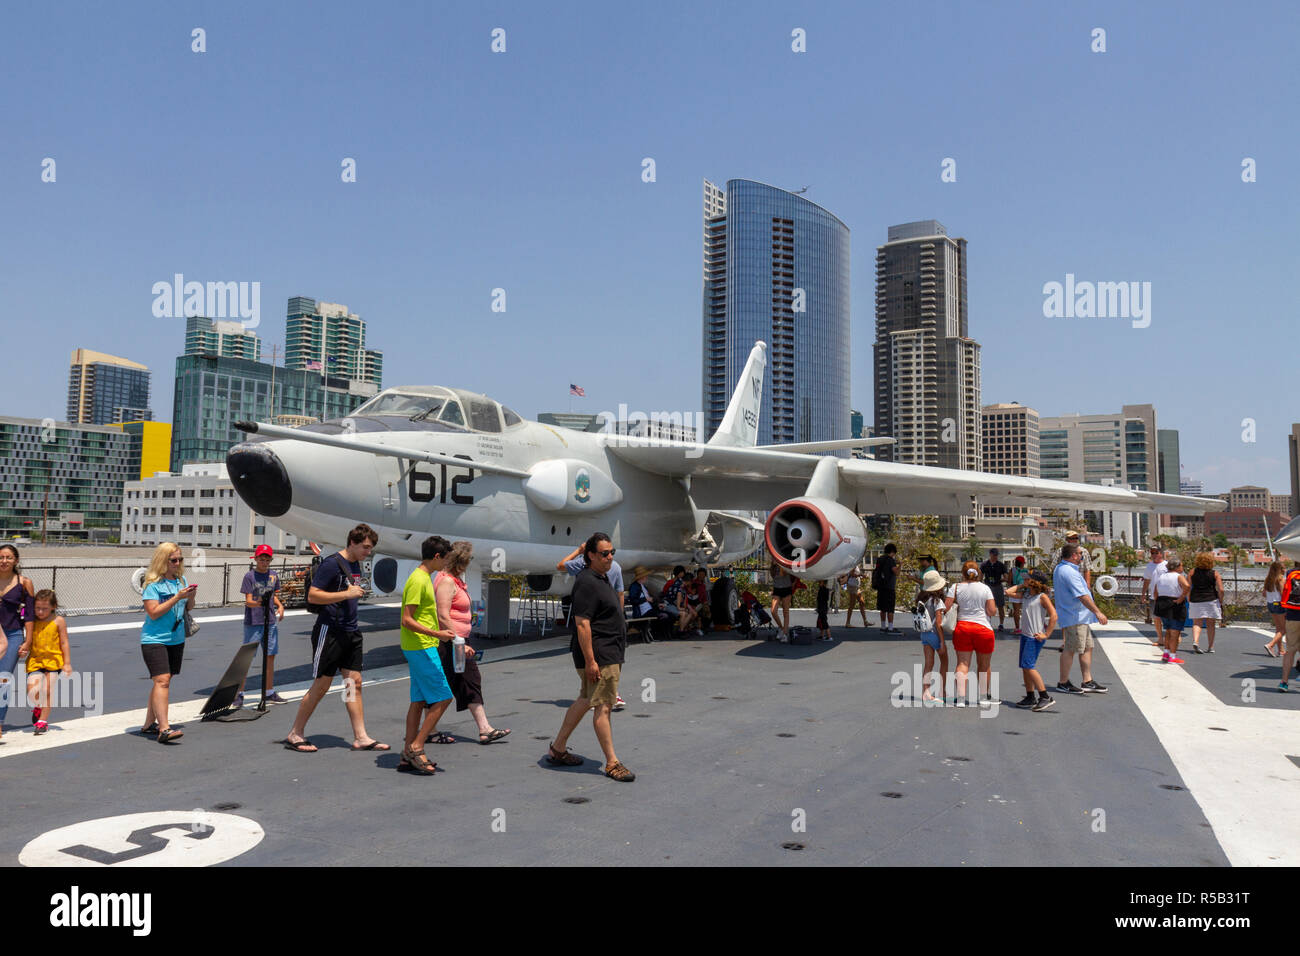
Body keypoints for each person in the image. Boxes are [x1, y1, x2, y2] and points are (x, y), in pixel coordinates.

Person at [284, 523, 389, 753]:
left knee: (354, 683)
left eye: (370, 548)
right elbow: (313, 596)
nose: (367, 552)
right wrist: (346, 593)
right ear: (352, 542)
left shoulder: (355, 565)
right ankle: (295, 733)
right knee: (322, 684)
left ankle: (361, 736)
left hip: (351, 631)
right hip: (330, 630)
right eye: (365, 547)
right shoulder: (331, 564)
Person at [546, 532, 634, 782]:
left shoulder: (601, 577)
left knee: (585, 699)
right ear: (591, 556)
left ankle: (558, 749)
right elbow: (582, 624)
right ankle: (612, 763)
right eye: (604, 553)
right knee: (604, 707)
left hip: (608, 650)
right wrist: (591, 661)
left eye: (612, 552)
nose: (610, 557)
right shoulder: (586, 581)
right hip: (600, 653)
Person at [430, 540, 512, 745]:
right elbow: (442, 614)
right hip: (451, 641)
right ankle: (483, 729)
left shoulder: (454, 580)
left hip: (456, 639)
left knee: (457, 682)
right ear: (460, 562)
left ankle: (481, 729)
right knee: (463, 681)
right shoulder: (447, 581)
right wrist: (459, 641)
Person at [396, 535, 456, 774]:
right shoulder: (419, 580)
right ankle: (416, 746)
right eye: (445, 559)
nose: (446, 565)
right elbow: (407, 619)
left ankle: (405, 755)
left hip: (418, 645)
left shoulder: (422, 577)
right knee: (443, 697)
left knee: (419, 701)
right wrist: (438, 633)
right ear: (437, 556)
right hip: (421, 646)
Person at [139, 542, 196, 744]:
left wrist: (190, 597)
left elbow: (188, 608)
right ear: (163, 560)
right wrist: (175, 597)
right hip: (154, 639)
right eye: (174, 559)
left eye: (180, 559)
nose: (178, 563)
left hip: (176, 638)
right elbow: (153, 613)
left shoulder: (181, 580)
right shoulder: (151, 584)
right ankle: (164, 728)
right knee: (162, 680)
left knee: (161, 681)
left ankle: (148, 724)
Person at [1053, 543, 1109, 694]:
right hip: (1074, 617)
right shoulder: (1068, 572)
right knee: (1070, 649)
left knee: (1087, 647)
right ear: (1074, 556)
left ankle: (1087, 680)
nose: (1082, 558)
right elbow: (1082, 595)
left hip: (1080, 617)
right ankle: (1063, 682)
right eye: (1080, 555)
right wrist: (1098, 612)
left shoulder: (1063, 568)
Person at [237, 544, 286, 706]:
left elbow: (272, 595)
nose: (264, 562)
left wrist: (279, 605)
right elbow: (249, 601)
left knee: (270, 656)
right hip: (253, 622)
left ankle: (269, 691)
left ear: (270, 560)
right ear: (255, 559)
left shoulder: (273, 575)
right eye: (261, 559)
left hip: (270, 621)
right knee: (247, 657)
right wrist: (261, 602)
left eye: (267, 559)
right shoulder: (249, 576)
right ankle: (239, 693)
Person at [943, 562, 997, 706]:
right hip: (983, 629)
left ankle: (960, 698)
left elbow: (946, 607)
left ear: (963, 573)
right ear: (978, 572)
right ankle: (984, 697)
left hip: (963, 628)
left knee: (962, 664)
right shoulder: (985, 588)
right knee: (984, 665)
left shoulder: (955, 588)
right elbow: (992, 611)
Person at [18, 589, 70, 734]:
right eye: (37, 608)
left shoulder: (58, 621)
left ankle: (42, 721)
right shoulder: (31, 619)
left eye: (44, 609)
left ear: (53, 606)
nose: (40, 612)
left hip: (54, 661)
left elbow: (64, 642)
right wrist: (23, 609)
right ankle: (38, 707)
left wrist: (67, 663)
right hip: (35, 660)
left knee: (47, 690)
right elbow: (20, 615)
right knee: (32, 690)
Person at [1005, 572, 1057, 711]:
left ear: (1035, 582)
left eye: (1028, 579)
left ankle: (1045, 696)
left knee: (1029, 666)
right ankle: (1030, 696)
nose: (1025, 580)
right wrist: (1023, 585)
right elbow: (1008, 592)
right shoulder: (1027, 595)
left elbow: (1054, 616)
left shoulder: (1042, 597)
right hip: (1025, 635)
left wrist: (1046, 634)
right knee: (1024, 666)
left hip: (1034, 637)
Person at [0, 544, 35, 741]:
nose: (4, 561)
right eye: (1, 557)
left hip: (13, 636)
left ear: (16, 561)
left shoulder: (25, 583)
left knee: (2, 679)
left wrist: (27, 641)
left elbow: (28, 615)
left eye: (8, 557)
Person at [916, 570, 950, 703]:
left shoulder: (921, 600)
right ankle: (942, 691)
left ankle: (926, 692)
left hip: (924, 634)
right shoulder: (937, 602)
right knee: (944, 661)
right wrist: (942, 642)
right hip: (935, 635)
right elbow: (939, 623)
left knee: (929, 664)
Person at [1154, 557, 1191, 664]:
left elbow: (1155, 591)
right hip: (1174, 605)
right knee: (1175, 632)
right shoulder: (1178, 576)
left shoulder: (1161, 577)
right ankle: (1172, 656)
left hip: (1162, 604)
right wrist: (1181, 597)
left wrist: (1159, 601)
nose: (1182, 568)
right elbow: (1187, 586)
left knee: (1168, 631)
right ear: (1177, 566)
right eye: (1181, 566)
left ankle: (1166, 653)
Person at [1187, 552, 1224, 654]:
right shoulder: (1215, 573)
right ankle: (1211, 647)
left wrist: (1188, 598)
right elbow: (1221, 589)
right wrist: (1220, 599)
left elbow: (1188, 587)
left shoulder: (1192, 572)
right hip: (1211, 600)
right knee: (1210, 624)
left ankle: (1196, 641)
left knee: (1197, 623)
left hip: (1195, 599)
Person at [1278, 561, 1300, 691]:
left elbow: (1284, 591)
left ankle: (1284, 682)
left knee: (1290, 650)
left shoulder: (1291, 573)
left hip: (1293, 614)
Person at [1140, 546, 1167, 646]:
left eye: (1156, 552)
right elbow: (1146, 581)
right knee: (1156, 619)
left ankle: (1174, 637)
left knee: (1168, 618)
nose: (1154, 555)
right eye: (1152, 553)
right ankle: (1160, 639)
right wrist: (1143, 594)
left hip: (1166, 596)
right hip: (1153, 597)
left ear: (1161, 553)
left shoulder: (1167, 565)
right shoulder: (1149, 566)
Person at [980, 548, 1009, 632]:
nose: (995, 556)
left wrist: (1000, 580)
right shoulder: (984, 564)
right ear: (990, 554)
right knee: (986, 606)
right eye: (994, 555)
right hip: (987, 587)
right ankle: (987, 623)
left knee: (1000, 605)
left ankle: (1001, 624)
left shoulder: (1001, 565)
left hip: (998, 586)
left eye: (996, 555)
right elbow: (981, 576)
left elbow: (1006, 577)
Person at [873, 544, 900, 633]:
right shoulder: (891, 560)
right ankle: (890, 628)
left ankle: (883, 626)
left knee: (882, 608)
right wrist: (900, 565)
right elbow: (896, 572)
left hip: (880, 586)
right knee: (890, 608)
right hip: (889, 587)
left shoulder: (880, 559)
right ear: (892, 552)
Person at [1263, 560, 1287, 658]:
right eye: (1284, 568)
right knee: (1284, 629)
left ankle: (1281, 650)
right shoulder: (1281, 579)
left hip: (1270, 604)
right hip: (1279, 604)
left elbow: (1264, 593)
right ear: (1280, 570)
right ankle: (1270, 645)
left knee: (1278, 628)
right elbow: (1282, 593)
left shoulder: (1268, 579)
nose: (1285, 570)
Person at [769, 561, 794, 639]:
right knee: (773, 611)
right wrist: (773, 566)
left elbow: (783, 574)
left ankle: (785, 634)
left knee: (785, 612)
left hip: (786, 588)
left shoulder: (784, 564)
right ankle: (781, 628)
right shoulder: (773, 566)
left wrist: (780, 564)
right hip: (777, 589)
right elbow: (773, 576)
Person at [1007, 556, 1028, 634]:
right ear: (1022, 563)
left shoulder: (1012, 570)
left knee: (1016, 610)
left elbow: (1009, 581)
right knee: (1025, 610)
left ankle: (1017, 628)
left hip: (1015, 590)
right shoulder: (1025, 571)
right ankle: (1026, 628)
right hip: (1024, 591)